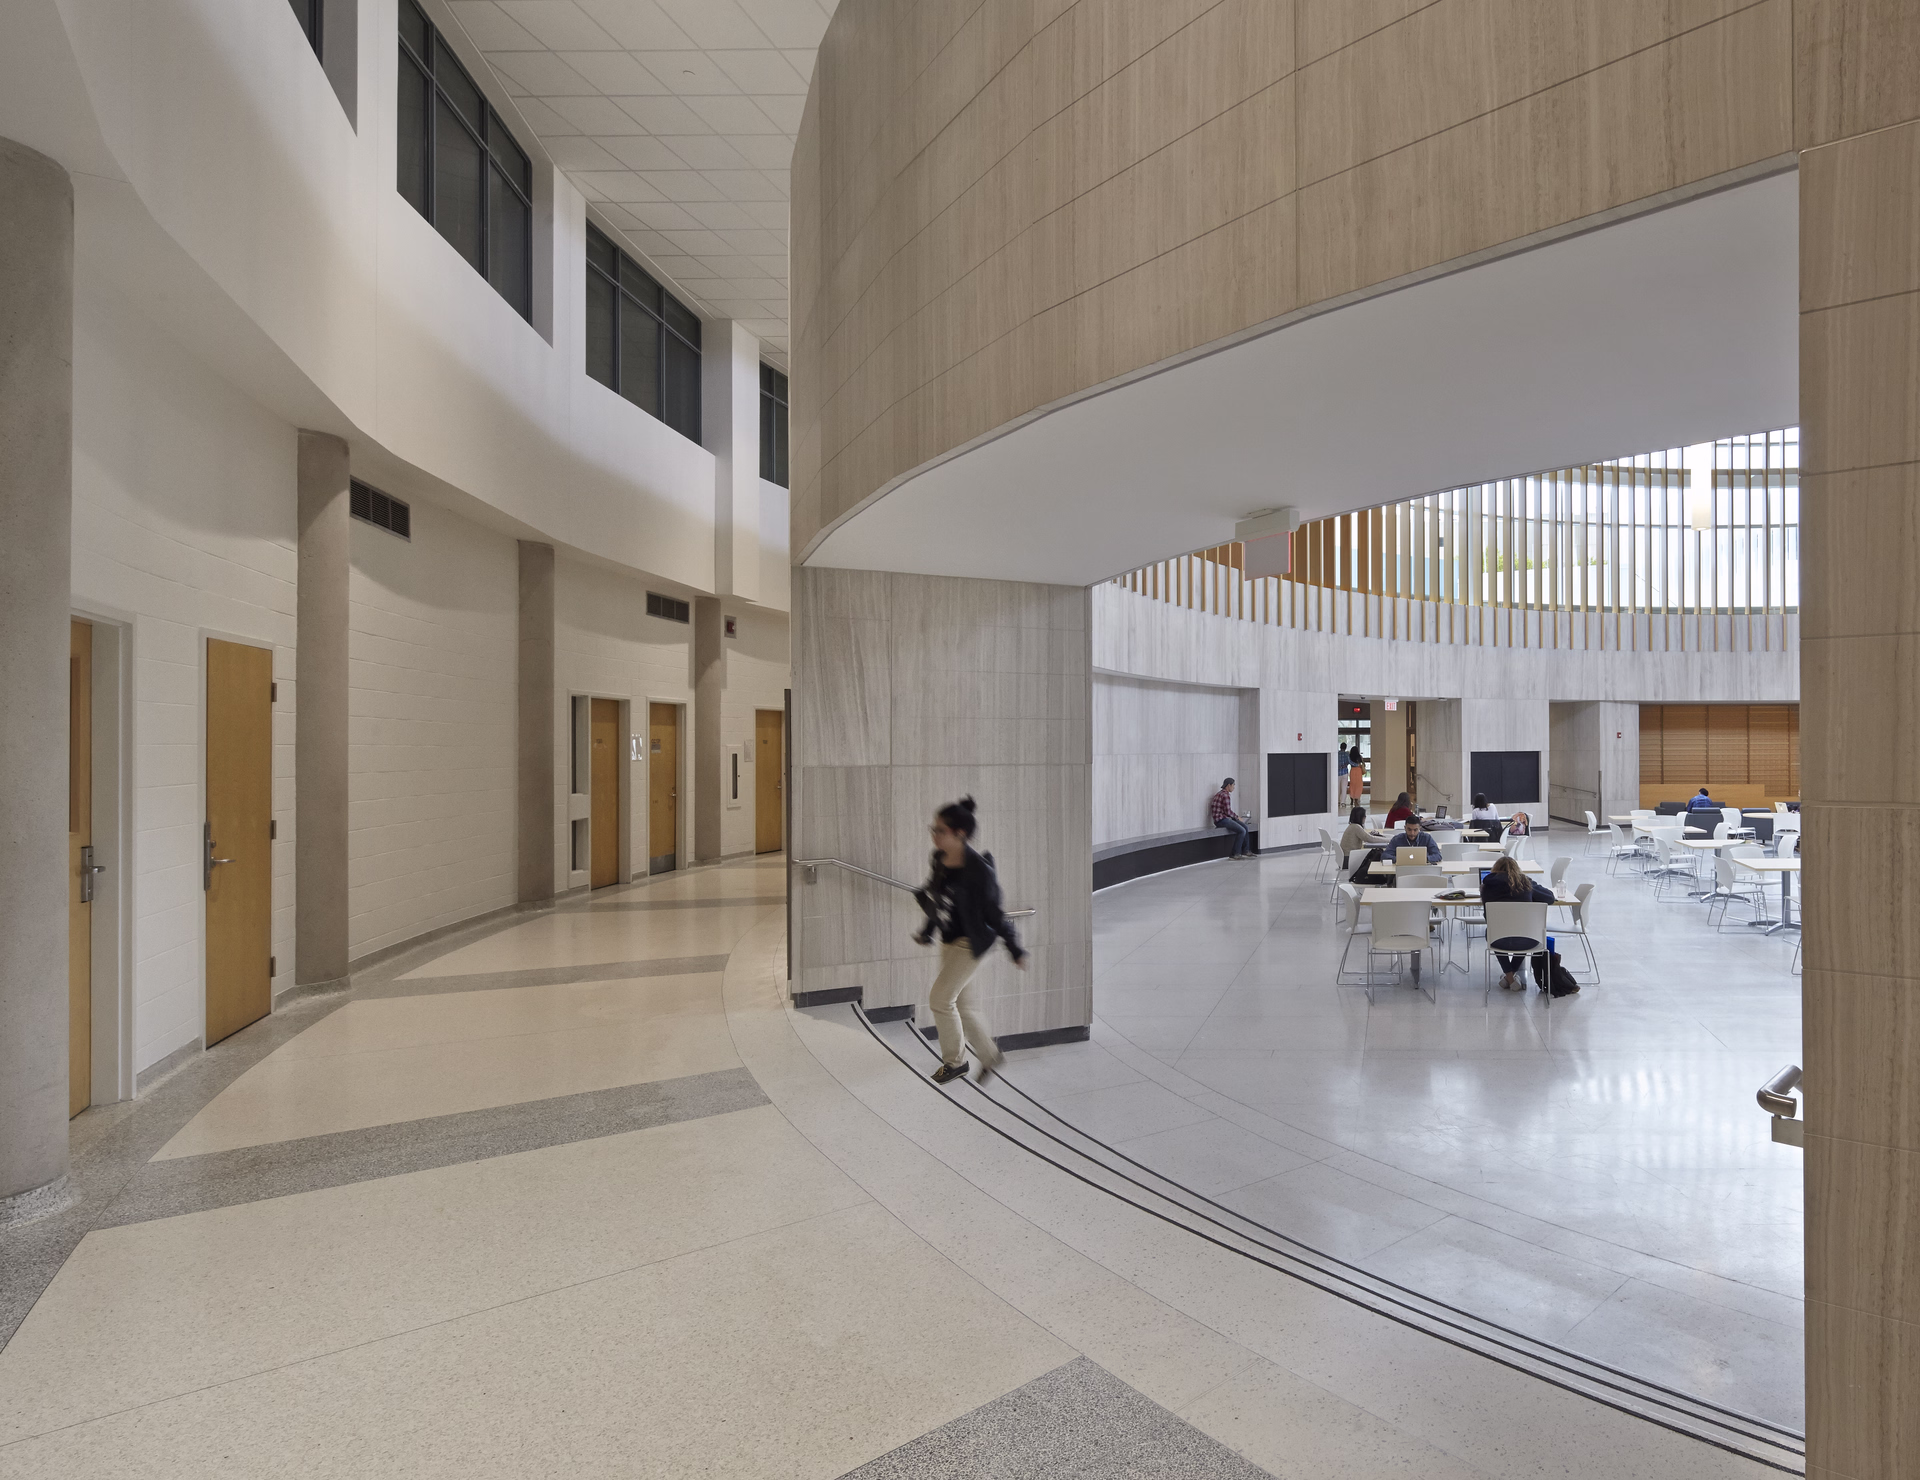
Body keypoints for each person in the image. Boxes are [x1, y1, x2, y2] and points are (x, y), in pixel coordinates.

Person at [911, 797, 1025, 1084]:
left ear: (959, 834)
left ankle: (954, 1062)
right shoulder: (938, 859)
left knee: (940, 999)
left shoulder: (979, 871)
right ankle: (990, 1056)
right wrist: (927, 931)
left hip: (971, 943)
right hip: (949, 940)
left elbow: (995, 914)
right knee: (964, 1005)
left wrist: (1015, 948)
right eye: (933, 829)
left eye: (940, 831)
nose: (934, 835)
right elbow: (937, 899)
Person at [1479, 854, 1558, 992]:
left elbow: (1487, 917)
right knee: (1523, 928)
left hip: (1498, 939)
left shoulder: (1486, 886)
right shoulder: (1525, 883)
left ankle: (1509, 977)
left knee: (1493, 931)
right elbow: (1550, 898)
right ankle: (1510, 977)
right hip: (1528, 940)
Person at [1210, 777, 1254, 859]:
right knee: (1242, 831)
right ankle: (1235, 853)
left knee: (1245, 827)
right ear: (1228, 785)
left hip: (1220, 819)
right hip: (1221, 820)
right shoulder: (1225, 795)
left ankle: (1246, 850)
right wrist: (1237, 817)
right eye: (1233, 785)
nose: (1234, 787)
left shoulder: (1219, 793)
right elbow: (1228, 811)